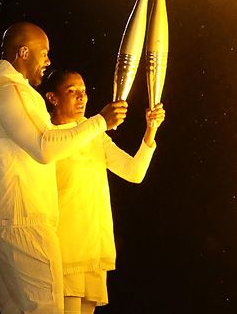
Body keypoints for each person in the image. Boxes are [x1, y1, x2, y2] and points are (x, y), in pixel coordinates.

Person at [0, 21, 128, 314]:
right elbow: (45, 146)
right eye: (44, 53)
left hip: (2, 220)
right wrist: (101, 122)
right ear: (24, 52)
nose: (48, 61)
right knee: (45, 309)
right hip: (21, 219)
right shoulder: (10, 91)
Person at [38, 68, 164, 314]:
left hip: (93, 246)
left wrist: (151, 129)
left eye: (83, 91)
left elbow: (134, 172)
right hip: (64, 248)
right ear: (52, 98)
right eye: (71, 91)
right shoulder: (46, 136)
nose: (81, 97)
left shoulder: (95, 133)